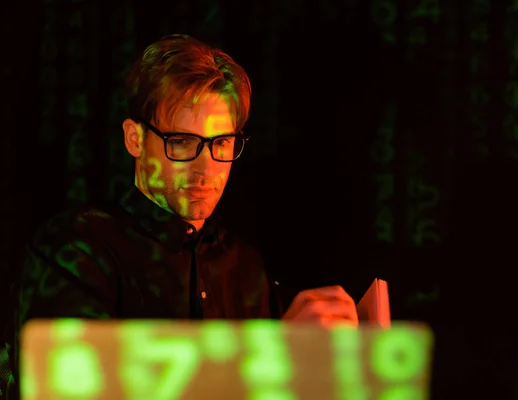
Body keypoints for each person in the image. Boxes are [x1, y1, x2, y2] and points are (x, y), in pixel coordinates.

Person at [1, 34, 357, 399]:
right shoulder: (74, 248)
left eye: (221, 143)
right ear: (134, 139)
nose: (205, 168)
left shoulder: (247, 267)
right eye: (183, 142)